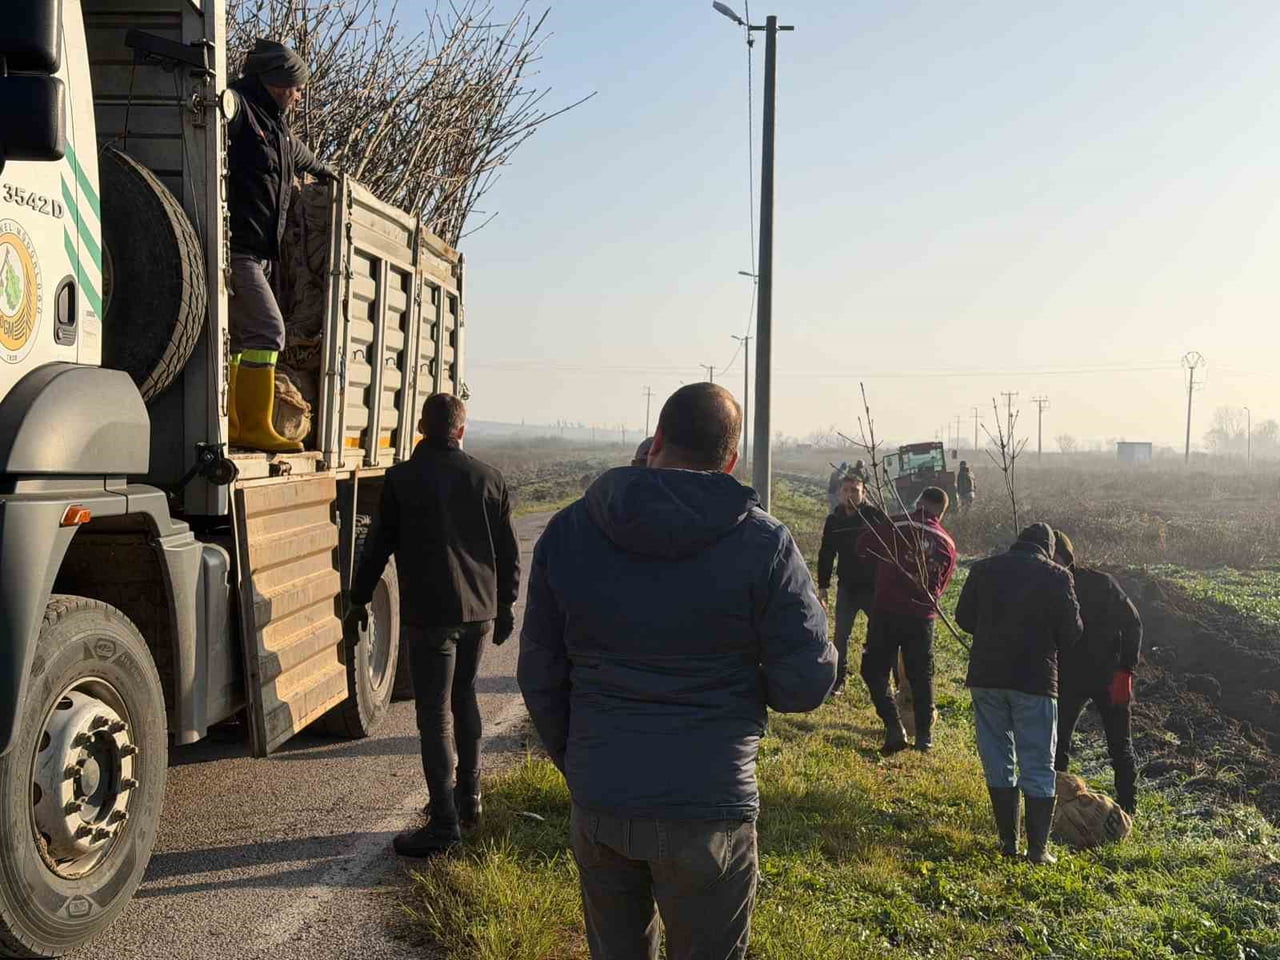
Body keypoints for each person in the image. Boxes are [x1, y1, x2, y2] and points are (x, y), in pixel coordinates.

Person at [518, 383, 836, 960]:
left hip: (603, 798)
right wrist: (743, 693)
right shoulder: (764, 543)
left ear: (656, 440)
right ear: (730, 461)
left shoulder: (570, 530)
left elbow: (539, 673)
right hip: (709, 802)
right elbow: (808, 680)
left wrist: (584, 758)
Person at [348, 393, 520, 858]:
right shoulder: (490, 478)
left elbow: (378, 546)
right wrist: (504, 608)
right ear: (461, 430)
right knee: (464, 699)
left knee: (434, 715)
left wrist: (358, 600)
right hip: (478, 614)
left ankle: (443, 823)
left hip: (432, 617)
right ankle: (470, 802)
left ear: (421, 426)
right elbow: (507, 552)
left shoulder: (402, 478)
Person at [226, 39, 337, 453]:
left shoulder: (274, 126)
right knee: (269, 332)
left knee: (241, 341)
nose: (300, 94)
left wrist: (327, 172)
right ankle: (253, 426)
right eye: (296, 86)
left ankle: (235, 423)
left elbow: (298, 155)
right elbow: (219, 112)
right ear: (277, 82)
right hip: (235, 247)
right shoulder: (240, 109)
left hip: (257, 251)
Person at [954, 523, 1082, 864]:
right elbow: (1071, 633)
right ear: (1049, 548)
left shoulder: (983, 568)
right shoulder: (1057, 577)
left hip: (987, 676)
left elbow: (964, 617)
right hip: (1035, 680)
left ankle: (1008, 843)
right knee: (1038, 762)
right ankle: (1038, 850)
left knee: (997, 758)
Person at [855, 487, 957, 754]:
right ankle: (924, 737)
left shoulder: (896, 523)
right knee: (921, 676)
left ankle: (894, 726)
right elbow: (942, 585)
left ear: (919, 502)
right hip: (922, 617)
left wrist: (881, 573)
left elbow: (863, 546)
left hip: (886, 610)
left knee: (873, 670)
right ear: (941, 513)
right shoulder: (946, 542)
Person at [1051, 530, 1143, 815]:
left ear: (1066, 556)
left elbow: (1133, 623)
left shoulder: (1101, 583)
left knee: (1120, 745)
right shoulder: (1048, 585)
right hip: (1068, 678)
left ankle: (1128, 809)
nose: (1048, 561)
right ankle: (1054, 805)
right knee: (1057, 744)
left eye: (1052, 556)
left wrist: (1126, 670)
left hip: (1109, 676)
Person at [817, 474, 888, 696]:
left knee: (880, 633)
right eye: (846, 491)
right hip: (847, 587)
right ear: (839, 493)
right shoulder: (834, 521)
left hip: (874, 587)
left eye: (855, 491)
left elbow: (890, 549)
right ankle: (839, 678)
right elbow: (826, 554)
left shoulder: (875, 518)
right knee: (841, 635)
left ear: (863, 493)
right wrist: (823, 586)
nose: (850, 495)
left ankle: (882, 679)